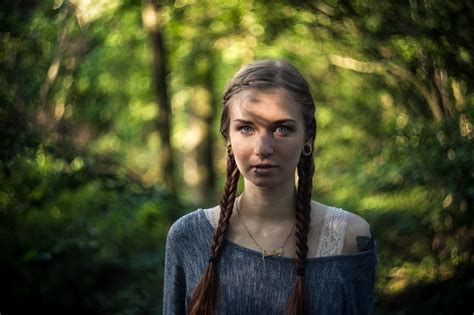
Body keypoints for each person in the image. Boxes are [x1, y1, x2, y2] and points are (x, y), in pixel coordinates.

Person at [163, 60, 376, 315]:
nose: (262, 149)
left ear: (308, 137)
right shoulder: (189, 236)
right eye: (246, 128)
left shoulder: (348, 238)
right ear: (227, 138)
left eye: (282, 129)